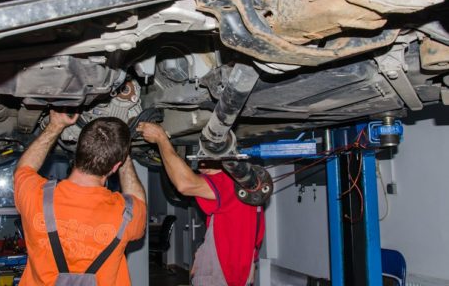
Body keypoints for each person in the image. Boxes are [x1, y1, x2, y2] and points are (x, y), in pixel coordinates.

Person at [14, 111, 146, 285]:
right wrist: (123, 156)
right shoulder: (126, 214)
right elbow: (137, 200)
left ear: (78, 151)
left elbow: (24, 169)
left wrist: (55, 125)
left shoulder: (36, 196)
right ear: (115, 167)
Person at [137, 122, 265, 286]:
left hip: (224, 275)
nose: (201, 168)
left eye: (205, 160)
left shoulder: (227, 183)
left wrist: (161, 138)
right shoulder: (248, 186)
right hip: (236, 273)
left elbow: (185, 184)